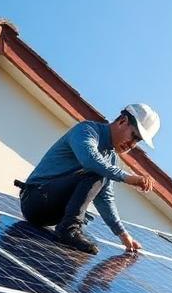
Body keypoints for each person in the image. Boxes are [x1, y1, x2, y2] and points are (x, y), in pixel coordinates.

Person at [18, 104, 159, 254]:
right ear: (122, 121)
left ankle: (70, 228)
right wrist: (127, 177)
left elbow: (104, 198)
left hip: (52, 215)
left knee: (94, 192)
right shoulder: (86, 130)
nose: (132, 145)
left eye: (137, 141)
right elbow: (90, 160)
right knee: (97, 171)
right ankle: (69, 229)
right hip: (34, 201)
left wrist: (123, 234)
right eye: (134, 136)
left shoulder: (111, 158)